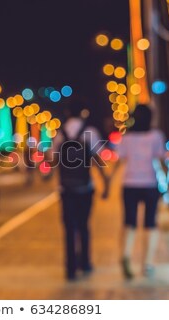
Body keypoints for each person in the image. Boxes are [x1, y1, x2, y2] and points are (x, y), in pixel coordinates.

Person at [48, 103, 108, 281]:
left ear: (67, 113)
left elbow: (52, 160)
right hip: (85, 187)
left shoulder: (60, 133)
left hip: (65, 188)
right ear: (82, 114)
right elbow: (98, 159)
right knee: (84, 226)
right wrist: (106, 183)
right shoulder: (90, 132)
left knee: (68, 228)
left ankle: (70, 267)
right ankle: (86, 263)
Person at [110, 105, 166, 279]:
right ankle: (148, 264)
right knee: (151, 224)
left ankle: (126, 255)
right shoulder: (156, 136)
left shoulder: (127, 138)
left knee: (130, 222)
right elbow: (162, 157)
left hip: (130, 184)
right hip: (150, 183)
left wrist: (108, 183)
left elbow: (119, 160)